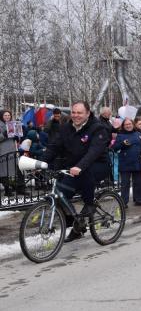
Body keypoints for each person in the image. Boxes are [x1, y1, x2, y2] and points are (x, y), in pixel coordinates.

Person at [40, 101, 111, 241]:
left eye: (79, 113)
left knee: (87, 172)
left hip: (98, 165)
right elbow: (54, 146)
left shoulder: (98, 128)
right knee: (61, 193)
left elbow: (94, 151)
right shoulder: (66, 128)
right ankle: (76, 223)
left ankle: (90, 204)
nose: (76, 115)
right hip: (74, 168)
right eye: (73, 112)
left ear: (87, 113)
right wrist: (41, 162)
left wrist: (80, 166)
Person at [112, 118, 141, 207]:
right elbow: (114, 148)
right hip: (125, 163)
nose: (128, 126)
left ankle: (139, 199)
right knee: (125, 184)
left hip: (138, 162)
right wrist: (122, 143)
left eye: (129, 124)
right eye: (126, 124)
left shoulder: (138, 134)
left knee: (139, 182)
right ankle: (123, 202)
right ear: (123, 126)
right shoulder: (120, 135)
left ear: (133, 124)